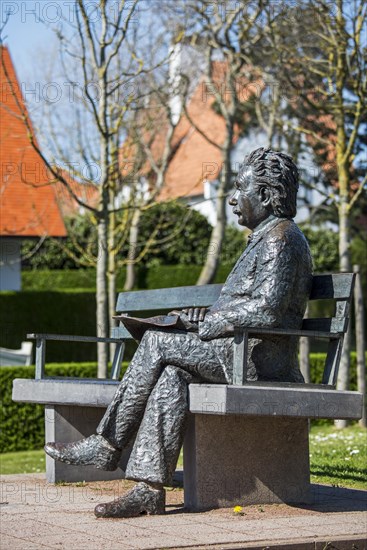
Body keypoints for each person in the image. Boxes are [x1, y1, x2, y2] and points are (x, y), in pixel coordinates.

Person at [45, 147, 313, 518]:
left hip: (258, 362)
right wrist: (201, 318)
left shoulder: (281, 239)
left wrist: (215, 323)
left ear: (267, 196)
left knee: (156, 341)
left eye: (241, 190)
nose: (233, 200)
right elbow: (250, 303)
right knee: (172, 376)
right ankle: (148, 489)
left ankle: (106, 445)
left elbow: (267, 308)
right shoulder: (266, 237)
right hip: (237, 351)